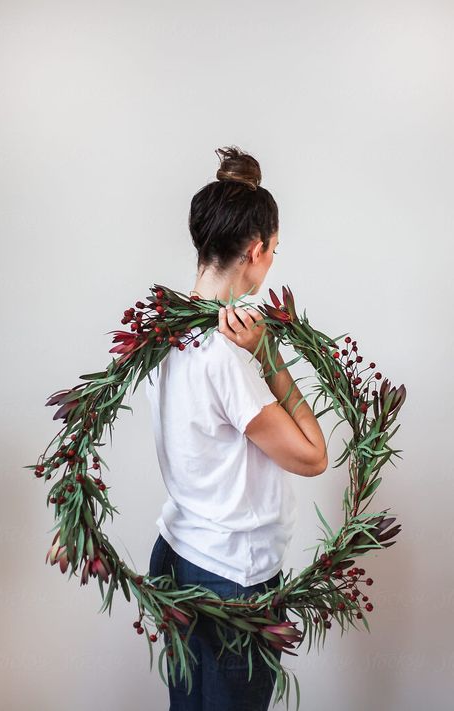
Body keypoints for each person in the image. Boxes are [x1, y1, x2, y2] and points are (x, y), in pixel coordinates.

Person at [146, 145, 328, 710]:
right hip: (232, 579)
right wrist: (268, 353)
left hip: (175, 554)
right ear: (255, 251)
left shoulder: (162, 327)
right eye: (273, 250)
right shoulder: (227, 356)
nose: (272, 260)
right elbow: (312, 454)